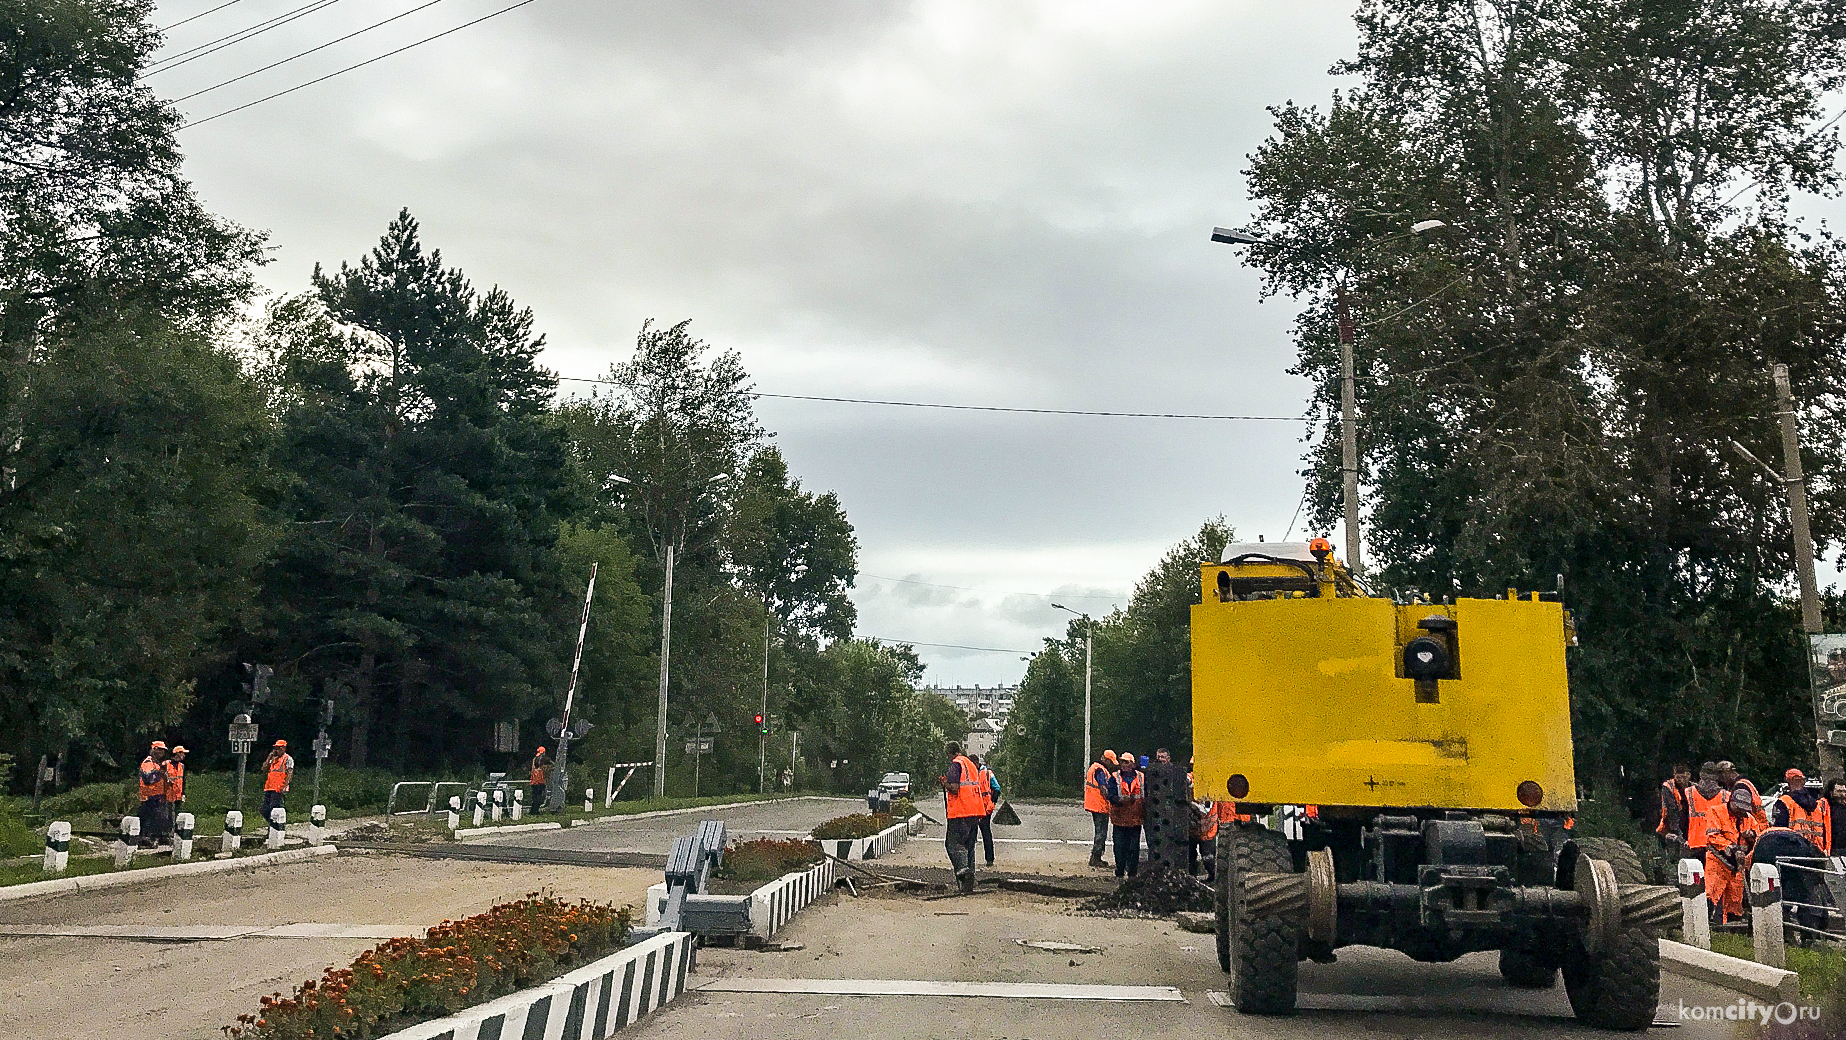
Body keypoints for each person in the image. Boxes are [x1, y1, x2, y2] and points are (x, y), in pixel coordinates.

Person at [940, 741, 985, 893]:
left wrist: (944, 783)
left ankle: (963, 872)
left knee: (953, 844)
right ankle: (968, 884)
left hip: (960, 812)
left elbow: (954, 788)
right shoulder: (970, 763)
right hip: (975, 811)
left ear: (949, 753)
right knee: (969, 847)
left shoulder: (955, 764)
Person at [1107, 752, 1145, 879]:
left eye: (1126, 762)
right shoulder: (1114, 777)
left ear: (1133, 764)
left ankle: (1132, 874)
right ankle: (1120, 871)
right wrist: (1119, 800)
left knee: (1133, 849)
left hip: (1135, 820)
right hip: (1120, 819)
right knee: (1119, 848)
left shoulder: (1141, 777)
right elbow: (1110, 796)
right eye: (1122, 762)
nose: (1124, 765)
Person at [1718, 760, 1769, 833]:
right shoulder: (1746, 783)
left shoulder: (1740, 786)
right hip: (1759, 825)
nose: (1722, 781)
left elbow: (1741, 811)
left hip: (1754, 827)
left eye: (1722, 777)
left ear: (1727, 773)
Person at [1084, 751, 1116, 869]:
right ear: (1106, 760)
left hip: (1096, 805)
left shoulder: (1096, 767)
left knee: (1100, 832)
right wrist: (1113, 799)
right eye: (1111, 762)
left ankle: (1096, 857)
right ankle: (1095, 857)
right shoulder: (1100, 770)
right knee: (1101, 833)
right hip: (1099, 806)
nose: (1112, 765)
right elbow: (1103, 788)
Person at [136, 742, 170, 847]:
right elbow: (147, 778)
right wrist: (160, 773)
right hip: (148, 796)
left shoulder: (156, 763)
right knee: (148, 818)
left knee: (155, 818)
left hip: (156, 796)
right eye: (160, 749)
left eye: (163, 750)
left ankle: (153, 838)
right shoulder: (148, 762)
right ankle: (144, 838)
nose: (162, 752)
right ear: (154, 749)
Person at [1657, 763, 1692, 861]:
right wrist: (1678, 834)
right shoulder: (1668, 787)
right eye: (1678, 774)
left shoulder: (1694, 788)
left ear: (1688, 775)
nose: (1680, 778)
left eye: (1683, 775)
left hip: (1691, 825)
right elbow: (1672, 810)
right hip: (1671, 826)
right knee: (1674, 855)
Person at [971, 754, 999, 867]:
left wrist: (992, 804)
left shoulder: (987, 773)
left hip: (985, 809)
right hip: (972, 808)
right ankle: (970, 860)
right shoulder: (969, 774)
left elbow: (997, 789)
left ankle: (989, 859)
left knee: (986, 833)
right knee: (971, 835)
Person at [260, 740, 294, 826]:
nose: (276, 750)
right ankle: (274, 824)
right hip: (269, 787)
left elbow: (289, 773)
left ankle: (276, 827)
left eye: (279, 748)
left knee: (274, 808)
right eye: (275, 748)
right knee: (264, 809)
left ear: (283, 748)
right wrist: (269, 758)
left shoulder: (288, 759)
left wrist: (285, 786)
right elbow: (264, 769)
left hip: (279, 788)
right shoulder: (273, 759)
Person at [165, 746, 188, 822]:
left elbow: (183, 781)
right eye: (183, 753)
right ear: (177, 754)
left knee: (177, 814)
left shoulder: (182, 766)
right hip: (167, 794)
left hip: (178, 794)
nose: (184, 756)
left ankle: (175, 830)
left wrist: (183, 794)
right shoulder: (166, 764)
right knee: (167, 815)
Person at [1824, 778, 1846, 855]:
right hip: (1832, 848)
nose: (1842, 794)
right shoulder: (1824, 806)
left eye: (1844, 791)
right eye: (1839, 791)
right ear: (1831, 792)